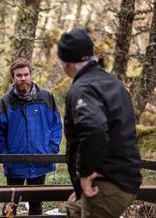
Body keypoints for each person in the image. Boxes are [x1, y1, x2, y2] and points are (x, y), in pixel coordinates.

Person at [56, 28, 142, 218]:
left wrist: (85, 176)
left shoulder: (83, 88)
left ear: (66, 63)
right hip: (125, 179)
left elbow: (94, 130)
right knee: (74, 209)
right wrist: (79, 188)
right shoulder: (113, 83)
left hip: (106, 182)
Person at [0, 58, 63, 215]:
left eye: (26, 74)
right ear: (13, 77)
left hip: (41, 160)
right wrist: (6, 156)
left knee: (36, 205)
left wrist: (51, 149)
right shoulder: (5, 101)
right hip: (15, 163)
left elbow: (56, 125)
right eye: (19, 75)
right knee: (11, 205)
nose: (23, 78)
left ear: (31, 75)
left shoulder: (46, 97)